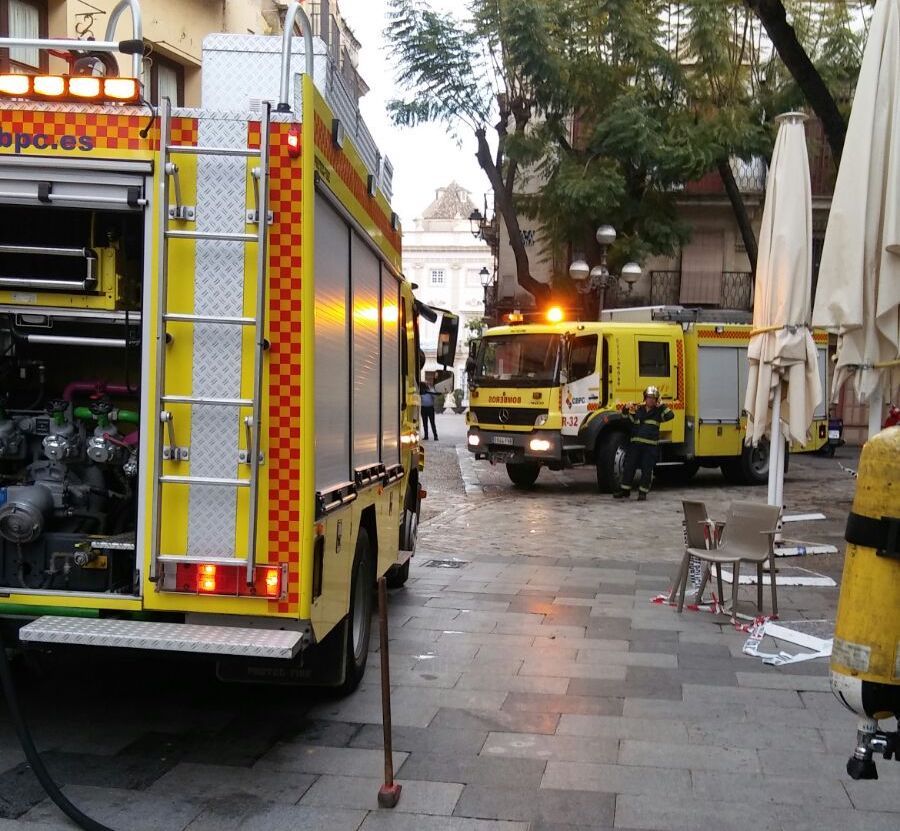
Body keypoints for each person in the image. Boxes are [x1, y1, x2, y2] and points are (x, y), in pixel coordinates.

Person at [613, 385, 674, 501]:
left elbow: (671, 415)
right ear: (645, 398)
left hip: (650, 446)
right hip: (635, 444)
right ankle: (625, 490)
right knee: (629, 467)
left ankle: (643, 492)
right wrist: (625, 409)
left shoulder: (659, 412)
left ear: (656, 400)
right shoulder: (638, 410)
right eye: (648, 397)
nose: (650, 400)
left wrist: (662, 406)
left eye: (653, 398)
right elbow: (626, 420)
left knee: (647, 470)